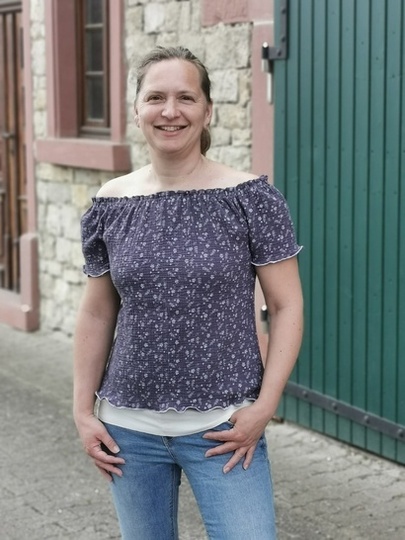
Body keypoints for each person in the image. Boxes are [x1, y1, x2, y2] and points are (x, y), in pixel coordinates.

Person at [73, 45, 303, 540]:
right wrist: (81, 412)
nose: (170, 111)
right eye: (155, 97)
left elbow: (287, 306)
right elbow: (96, 314)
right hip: (128, 431)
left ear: (207, 110)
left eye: (186, 97)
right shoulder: (110, 204)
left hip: (225, 429)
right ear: (137, 110)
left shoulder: (251, 199)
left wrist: (265, 406)